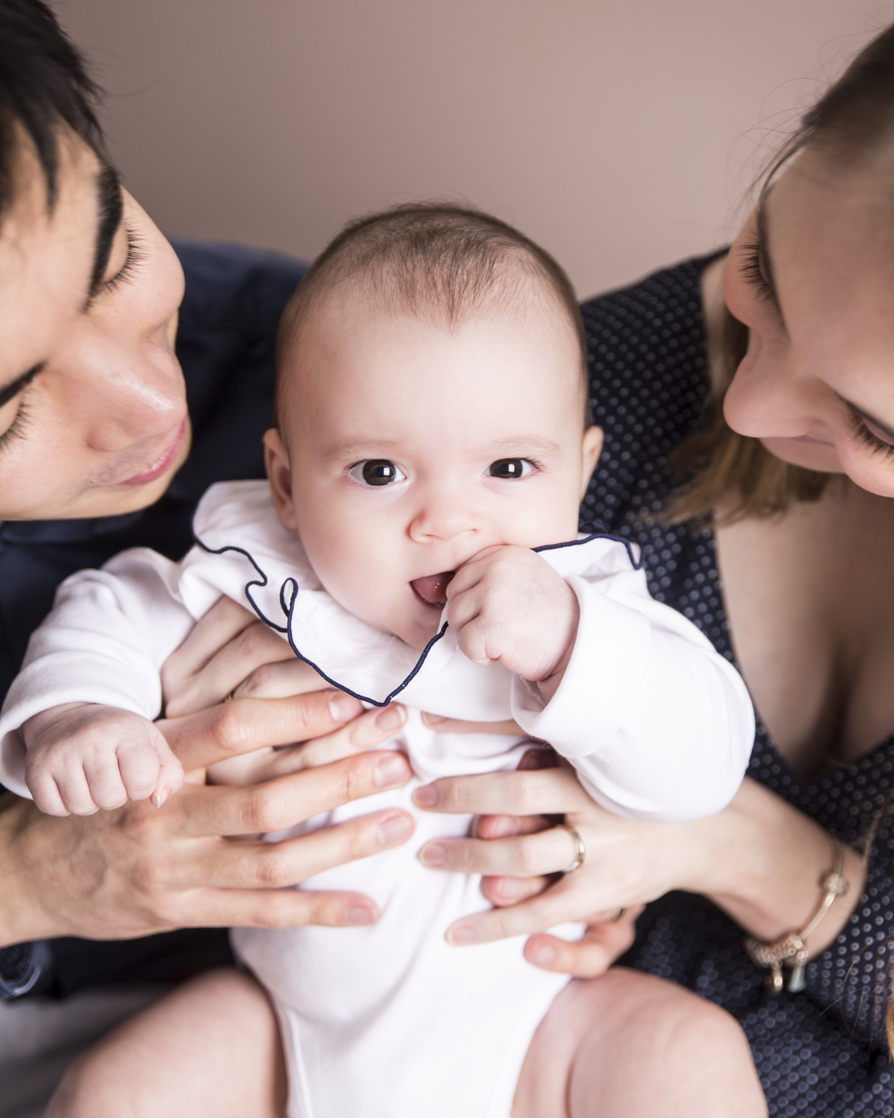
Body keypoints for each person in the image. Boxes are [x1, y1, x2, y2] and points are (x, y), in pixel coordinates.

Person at [3, 204, 758, 1118]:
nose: (447, 519)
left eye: (510, 469)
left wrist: (572, 646)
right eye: (378, 473)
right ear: (284, 482)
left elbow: (701, 766)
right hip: (285, 1024)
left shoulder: (595, 604)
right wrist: (83, 713)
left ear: (583, 471)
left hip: (538, 1021)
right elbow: (110, 609)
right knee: (117, 1093)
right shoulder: (256, 574)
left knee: (688, 1055)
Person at [374, 25, 894, 1118]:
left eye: (876, 429)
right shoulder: (553, 409)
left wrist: (728, 841)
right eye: (764, 270)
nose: (748, 407)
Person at [0, 0, 422, 1099]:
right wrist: (27, 877)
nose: (149, 403)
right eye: (5, 412)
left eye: (115, 258)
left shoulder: (322, 362)